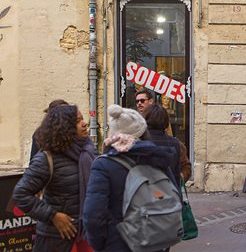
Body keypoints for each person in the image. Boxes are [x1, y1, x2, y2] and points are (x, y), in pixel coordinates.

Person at [83, 104, 178, 252]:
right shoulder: (157, 157)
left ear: (114, 134)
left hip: (117, 242)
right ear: (142, 131)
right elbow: (173, 193)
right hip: (153, 239)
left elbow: (93, 215)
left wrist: (99, 245)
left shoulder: (103, 165)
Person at [14, 104, 96, 252]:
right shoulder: (46, 159)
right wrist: (53, 216)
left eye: (83, 119)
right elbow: (21, 194)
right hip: (56, 238)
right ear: (64, 127)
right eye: (78, 121)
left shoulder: (88, 152)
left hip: (85, 234)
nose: (84, 124)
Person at [145, 104, 185, 183]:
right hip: (169, 189)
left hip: (147, 189)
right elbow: (177, 173)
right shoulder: (175, 143)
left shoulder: (141, 142)